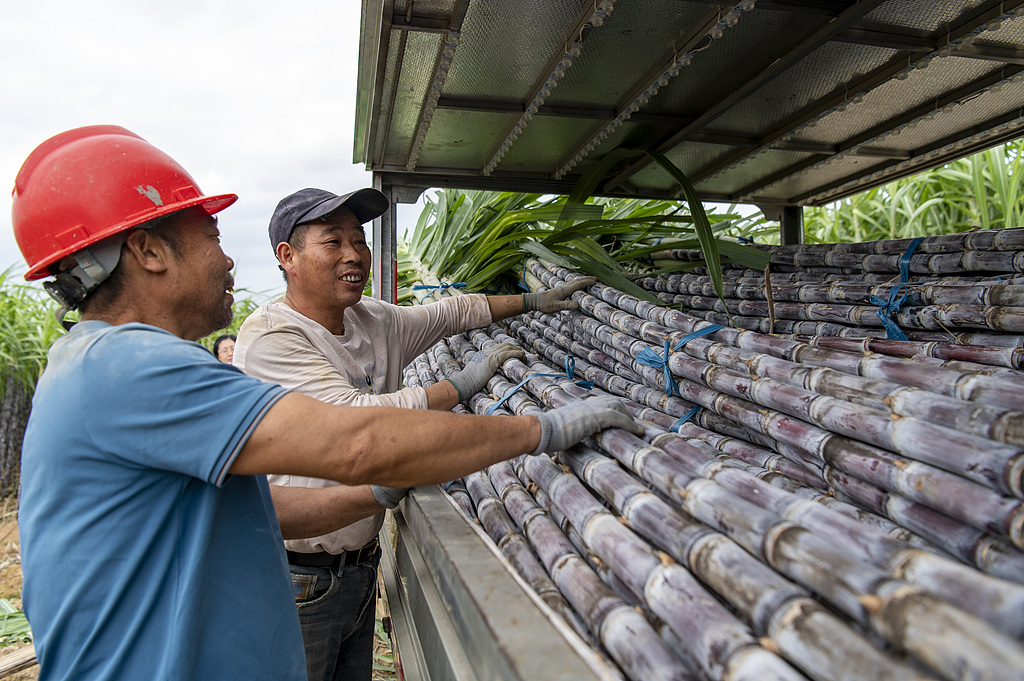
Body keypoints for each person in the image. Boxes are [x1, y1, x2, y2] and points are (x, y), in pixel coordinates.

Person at [11, 125, 642, 681]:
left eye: (357, 238)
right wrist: (539, 429)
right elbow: (356, 440)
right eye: (211, 235)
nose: (228, 260)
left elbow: (264, 508)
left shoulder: (110, 364)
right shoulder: (130, 368)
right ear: (148, 251)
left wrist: (374, 496)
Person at [233, 186, 598, 681]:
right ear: (287, 256)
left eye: (359, 239)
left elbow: (450, 313)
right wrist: (461, 386)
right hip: (298, 579)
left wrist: (532, 300)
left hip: (359, 565)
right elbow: (358, 421)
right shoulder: (273, 336)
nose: (353, 254)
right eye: (333, 241)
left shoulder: (371, 318)